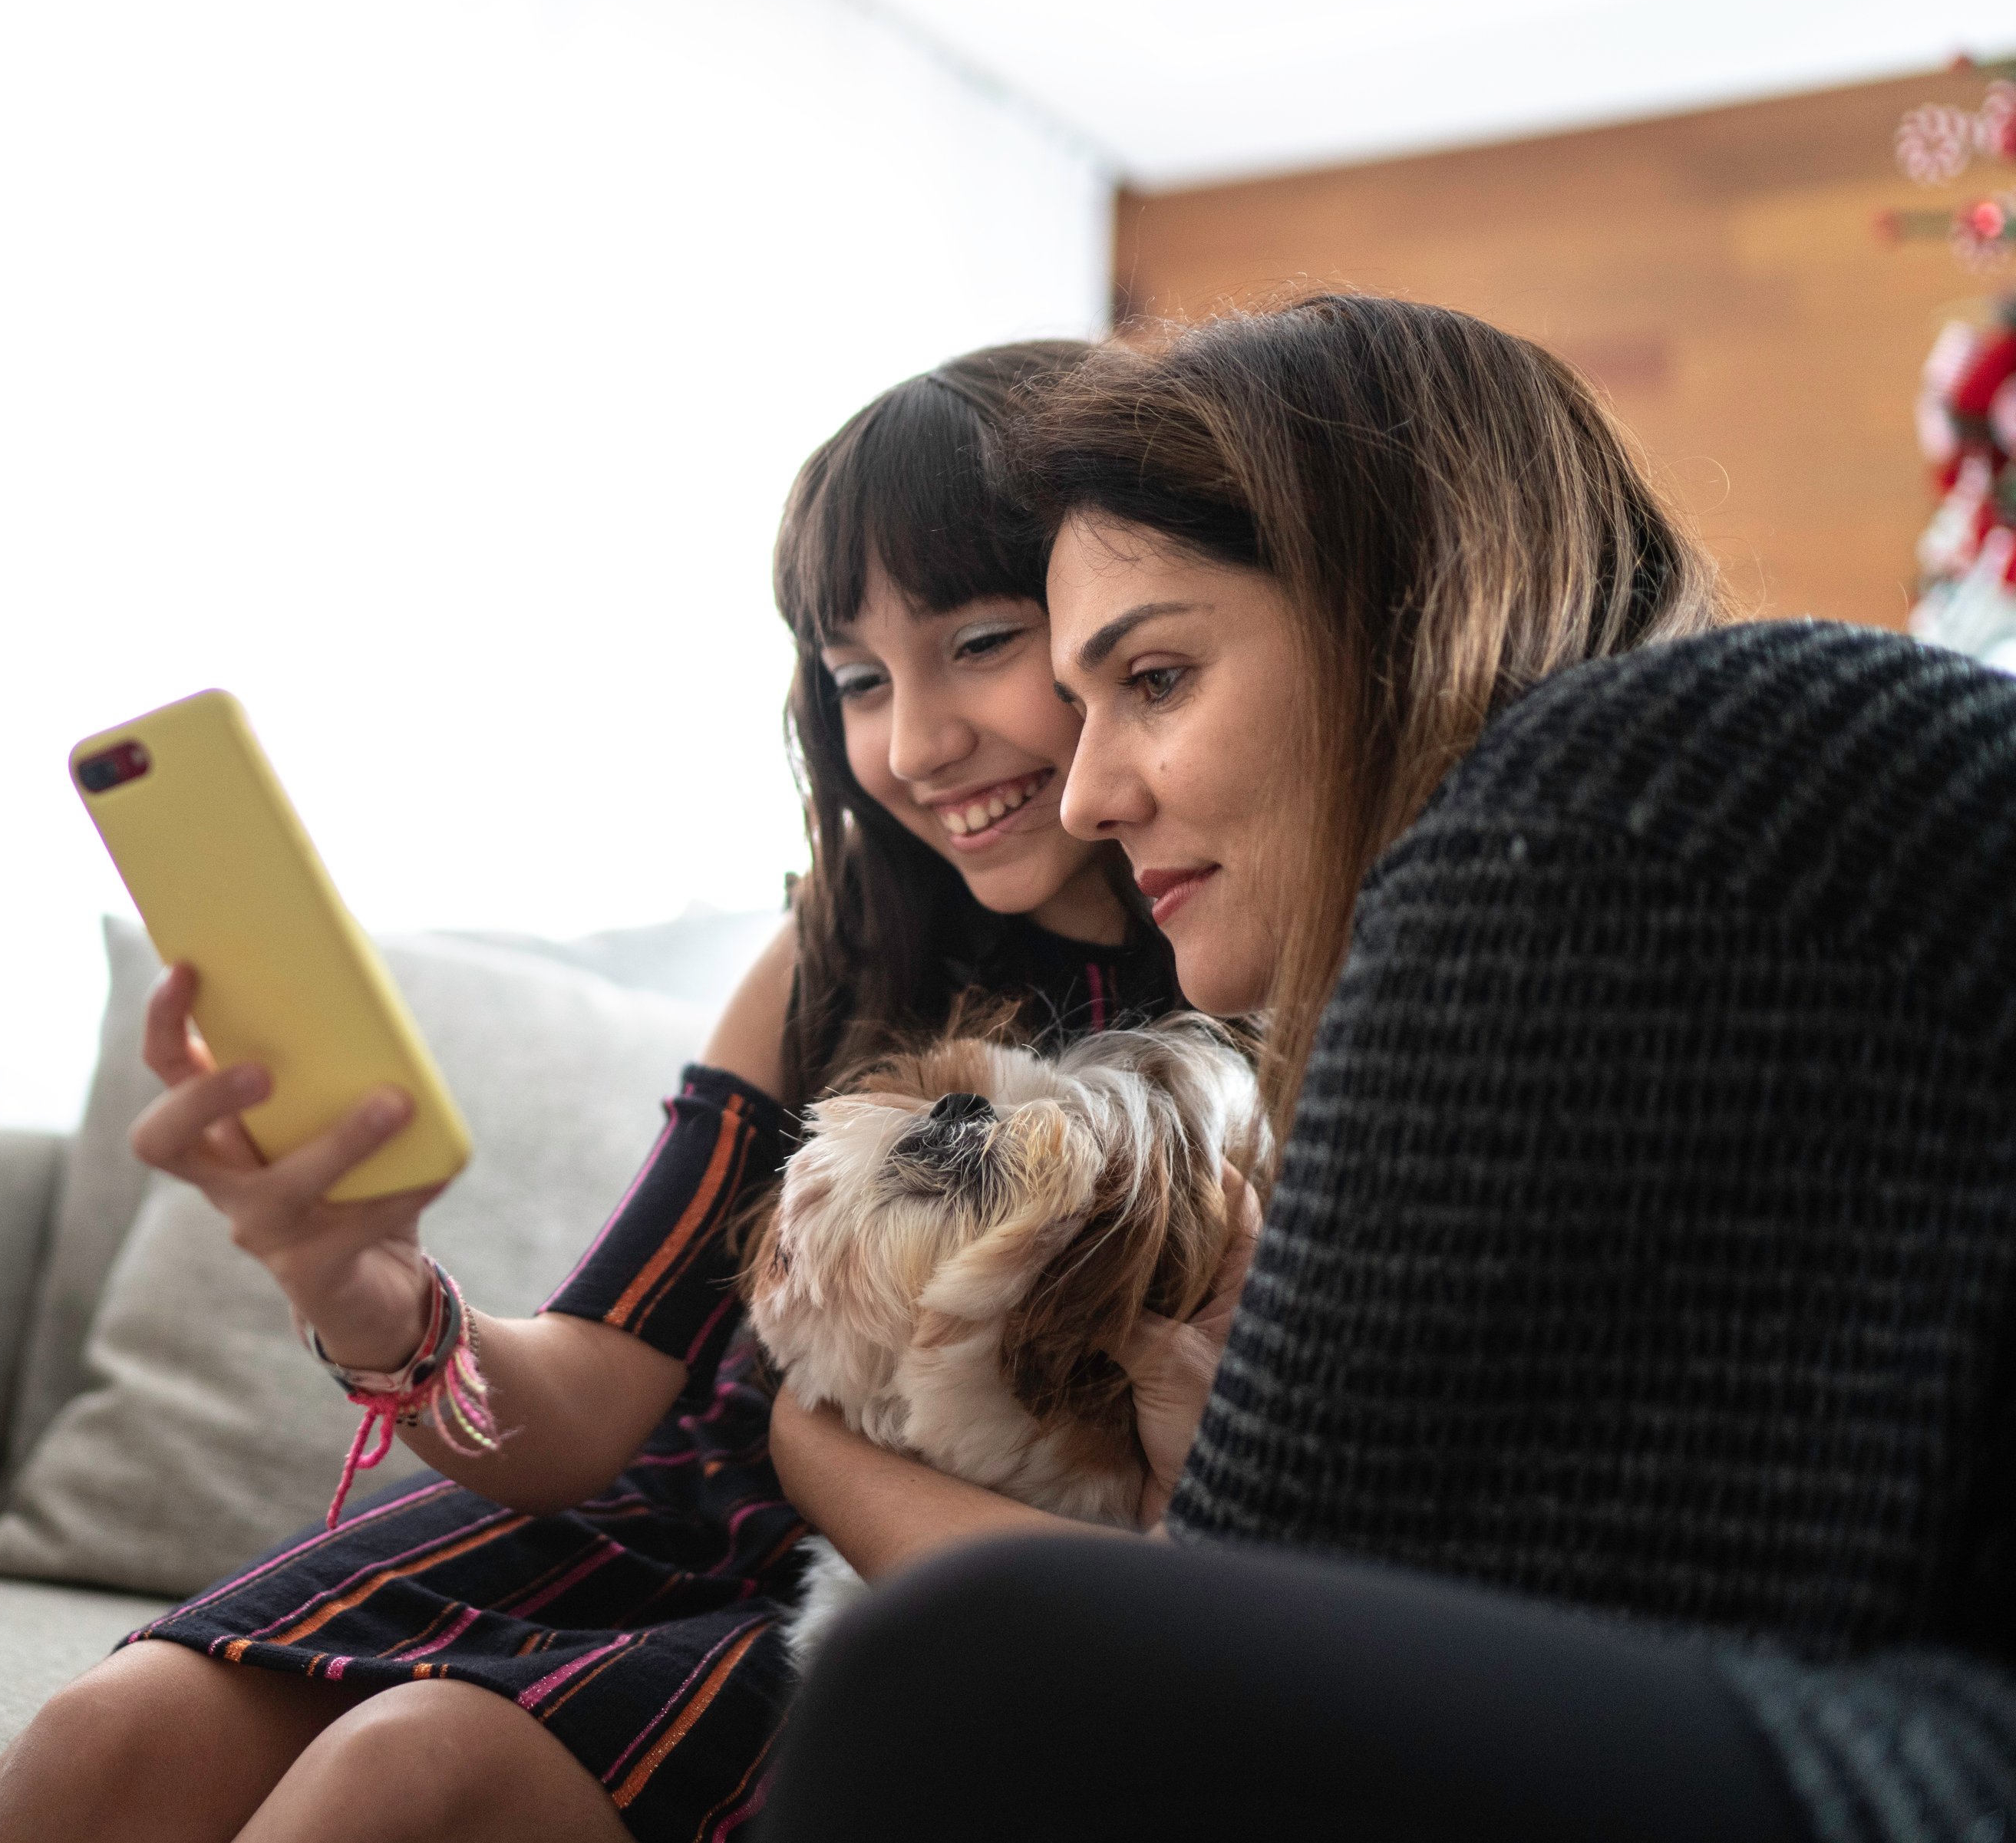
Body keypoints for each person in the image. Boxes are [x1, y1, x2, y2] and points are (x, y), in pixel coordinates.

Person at [769, 292, 2016, 1840]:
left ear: (1401, 603)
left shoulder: (1580, 809)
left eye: (1154, 681)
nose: (1086, 791)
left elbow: (1230, 1628)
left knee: (965, 1689)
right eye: (1082, 707)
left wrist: (829, 1448)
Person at [0, 341, 1196, 1843]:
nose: (913, 745)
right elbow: (585, 1405)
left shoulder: (1251, 972)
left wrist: (823, 1454)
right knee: (107, 1730)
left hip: (865, 1587)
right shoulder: (838, 948)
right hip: (658, 1518)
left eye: (980, 641)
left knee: (409, 1772)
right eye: (859, 678)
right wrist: (375, 1299)